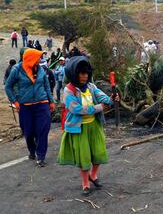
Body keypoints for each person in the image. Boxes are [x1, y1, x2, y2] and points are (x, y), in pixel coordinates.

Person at [57, 56, 117, 196]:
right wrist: (99, 107)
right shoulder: (68, 91)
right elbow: (76, 109)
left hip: (94, 125)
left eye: (86, 74)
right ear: (74, 74)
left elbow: (102, 97)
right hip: (79, 128)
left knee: (98, 152)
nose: (84, 76)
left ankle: (93, 175)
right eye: (81, 73)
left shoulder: (91, 86)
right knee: (84, 156)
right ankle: (85, 182)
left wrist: (111, 99)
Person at [5, 48, 55, 167]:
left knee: (43, 130)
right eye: (38, 57)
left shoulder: (41, 69)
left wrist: (51, 101)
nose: (40, 59)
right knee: (28, 132)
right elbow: (8, 86)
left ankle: (41, 156)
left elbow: (46, 86)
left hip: (42, 104)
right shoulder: (17, 69)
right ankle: (32, 150)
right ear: (30, 58)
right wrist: (15, 102)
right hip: (25, 106)